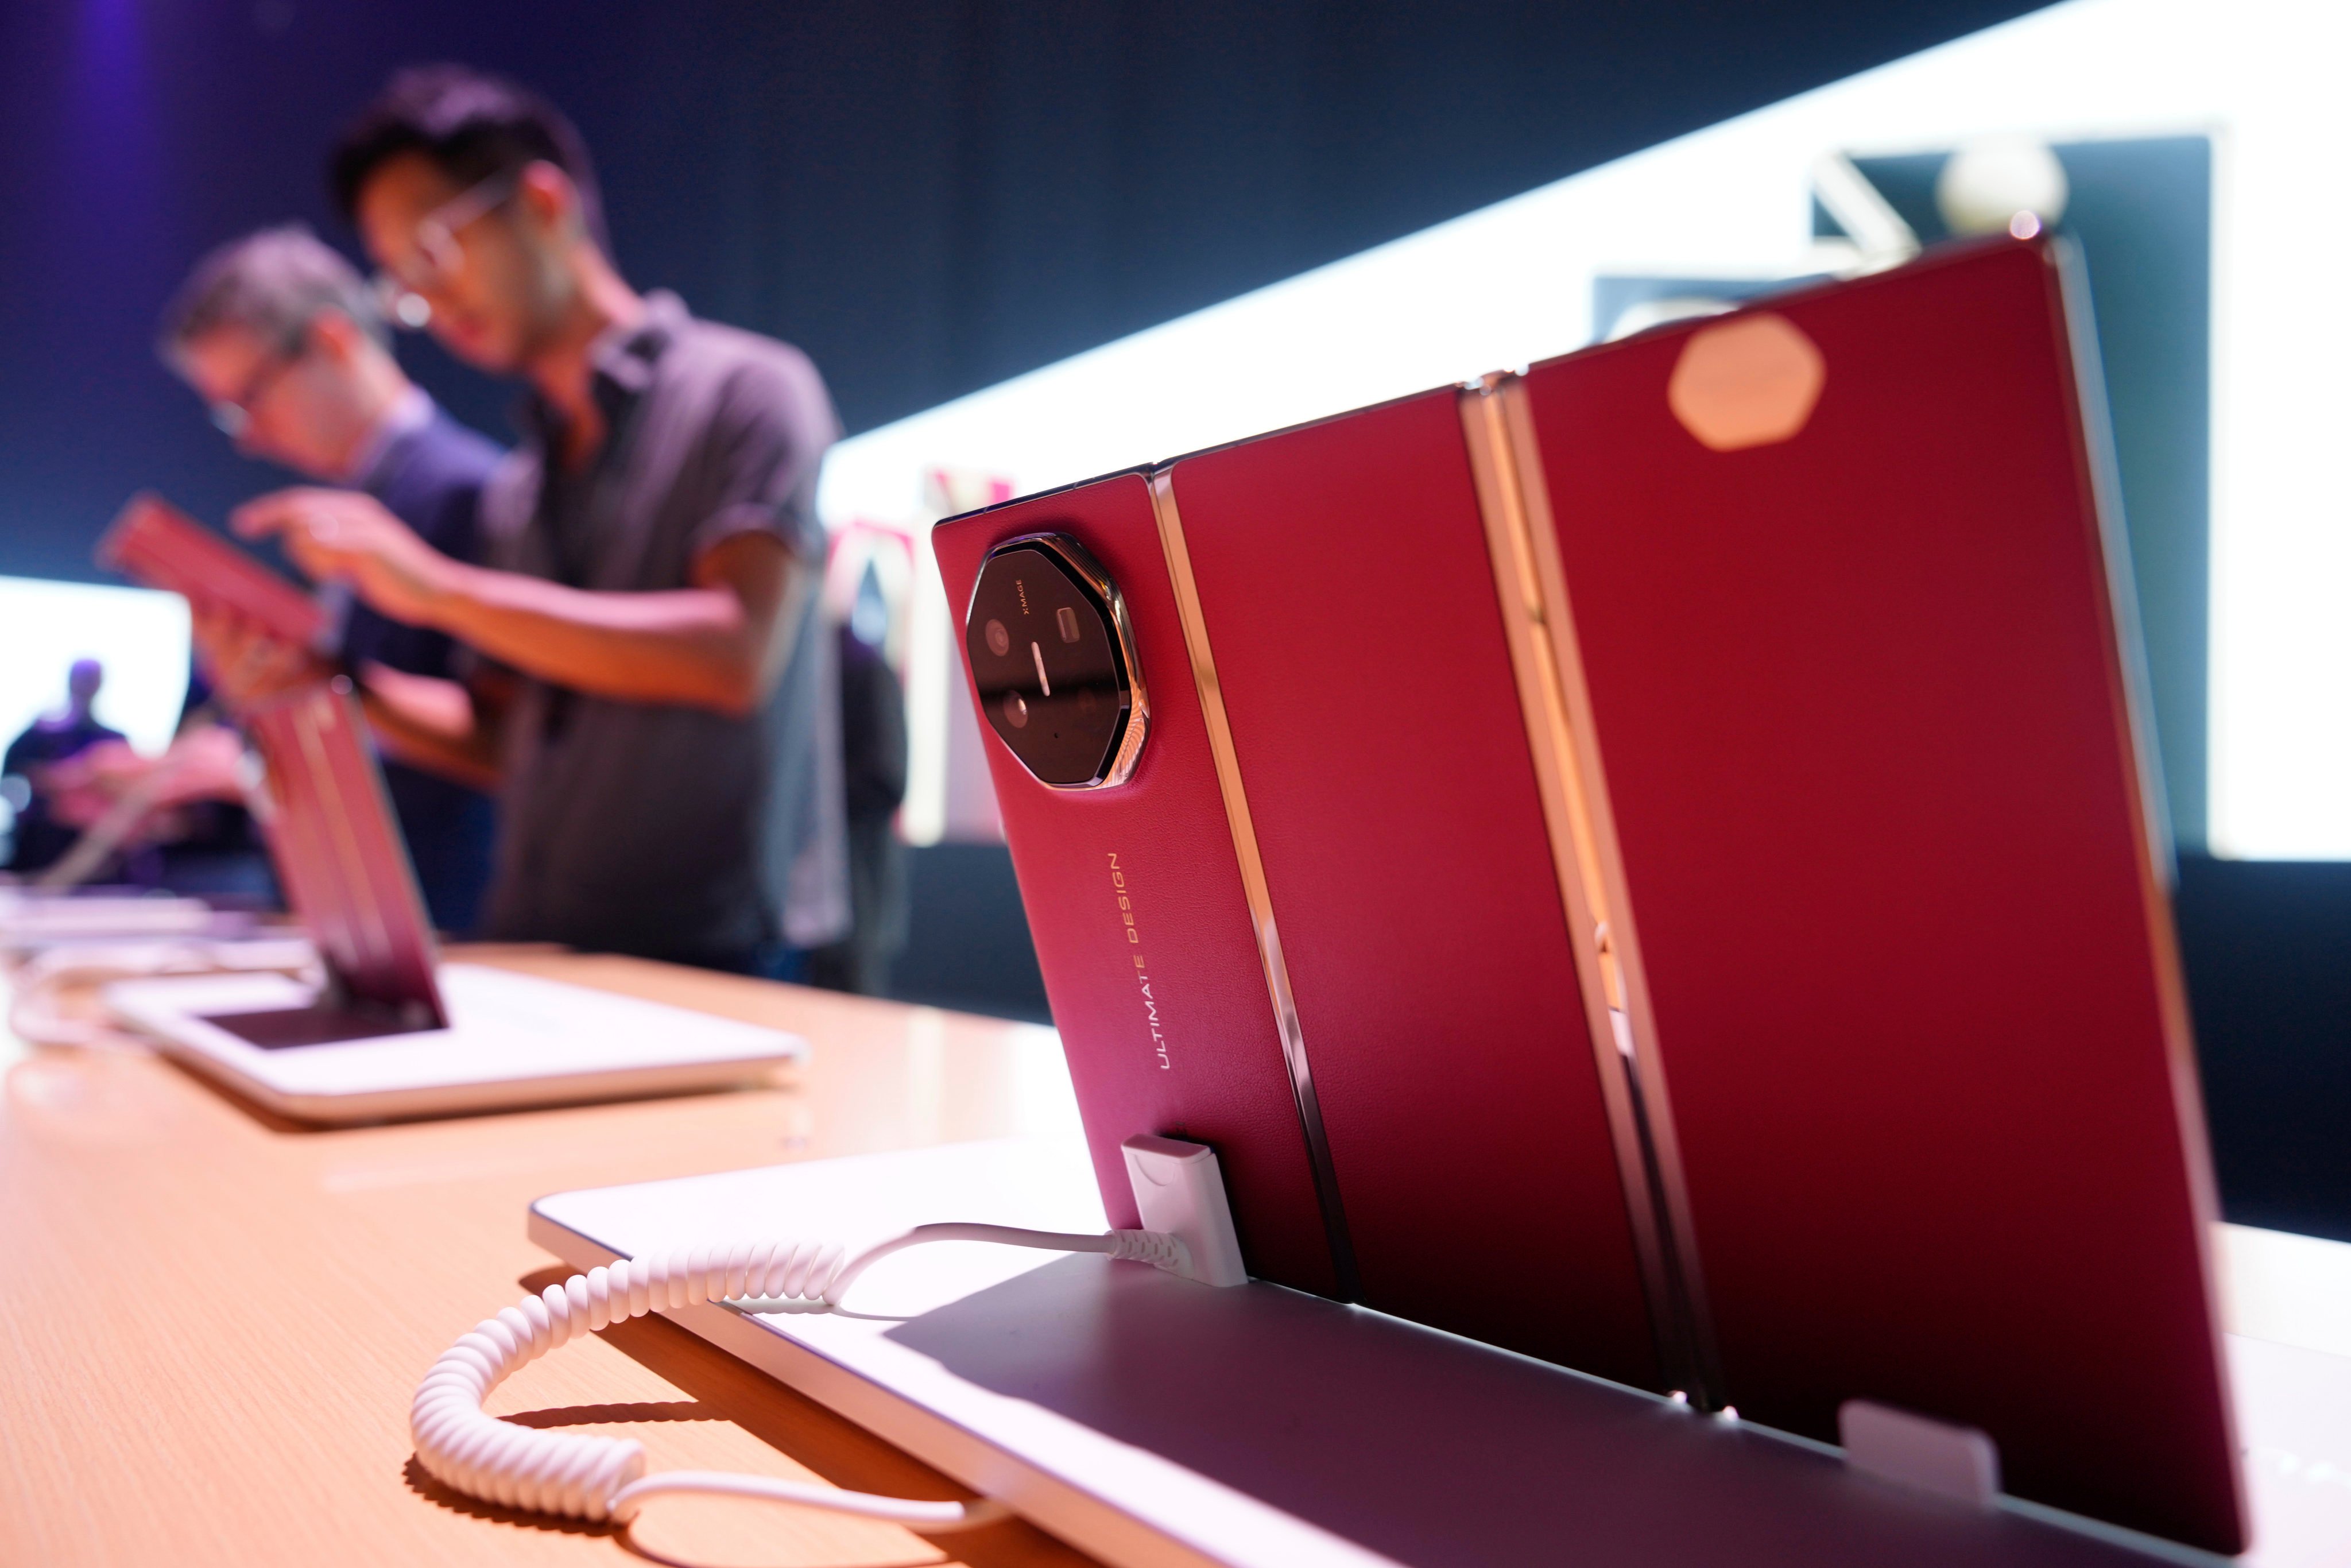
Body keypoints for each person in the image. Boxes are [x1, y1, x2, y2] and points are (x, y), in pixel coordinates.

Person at [210, 65, 847, 975]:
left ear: (541, 202)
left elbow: (735, 653)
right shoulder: (520, 484)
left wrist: (442, 590)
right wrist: (333, 682)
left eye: (430, 253)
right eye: (399, 280)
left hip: (710, 953)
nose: (426, 304)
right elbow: (500, 740)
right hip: (539, 941)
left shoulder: (749, 391)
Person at [156, 224, 503, 932]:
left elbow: (504, 740)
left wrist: (323, 686)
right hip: (352, 917)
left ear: (334, 341)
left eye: (250, 396)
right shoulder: (331, 520)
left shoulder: (471, 490)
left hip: (453, 923)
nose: (249, 434)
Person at [2, 661, 127, 872]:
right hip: (37, 849)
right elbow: (9, 782)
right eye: (82, 678)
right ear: (70, 681)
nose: (86, 685)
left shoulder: (114, 740)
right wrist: (45, 783)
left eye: (91, 679)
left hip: (99, 854)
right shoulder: (36, 736)